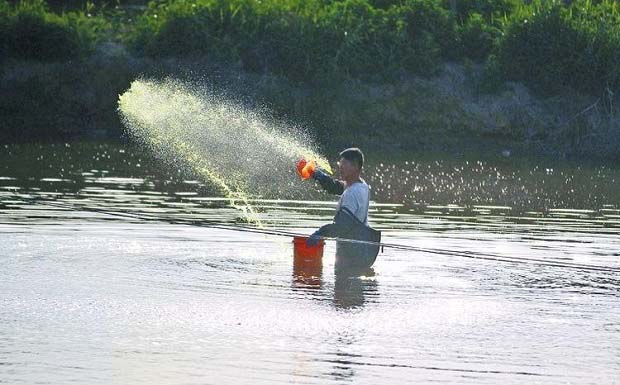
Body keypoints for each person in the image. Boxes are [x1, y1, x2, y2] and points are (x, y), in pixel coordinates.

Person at [306, 148, 381, 270]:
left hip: (350, 257)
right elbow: (334, 187)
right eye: (340, 163)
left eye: (344, 164)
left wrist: (321, 233)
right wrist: (317, 175)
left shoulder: (352, 193)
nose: (340, 167)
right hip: (358, 254)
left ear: (356, 166)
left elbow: (342, 227)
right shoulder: (361, 185)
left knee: (343, 283)